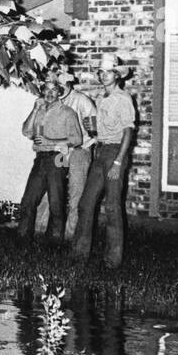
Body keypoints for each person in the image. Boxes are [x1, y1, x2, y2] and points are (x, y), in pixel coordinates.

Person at [72, 54, 137, 269]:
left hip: (115, 152)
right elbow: (97, 128)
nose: (103, 75)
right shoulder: (101, 99)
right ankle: (79, 256)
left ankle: (112, 261)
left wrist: (118, 162)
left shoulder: (123, 98)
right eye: (101, 72)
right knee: (86, 203)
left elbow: (128, 132)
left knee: (112, 206)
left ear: (117, 75)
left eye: (107, 72)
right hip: (100, 152)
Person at [17, 78, 82, 243]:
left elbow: (76, 139)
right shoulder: (39, 110)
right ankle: (22, 241)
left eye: (54, 90)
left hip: (59, 156)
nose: (50, 93)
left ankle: (55, 242)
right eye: (47, 89)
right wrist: (34, 109)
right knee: (28, 200)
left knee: (56, 201)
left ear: (60, 92)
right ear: (42, 91)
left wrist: (50, 142)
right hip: (40, 158)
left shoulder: (68, 112)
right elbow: (26, 132)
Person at [58, 69, 98, 239]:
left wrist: (80, 142)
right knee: (51, 188)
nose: (56, 88)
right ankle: (41, 229)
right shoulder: (53, 100)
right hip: (60, 151)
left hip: (80, 151)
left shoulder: (81, 100)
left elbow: (94, 130)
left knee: (76, 191)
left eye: (60, 84)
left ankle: (71, 235)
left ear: (67, 83)